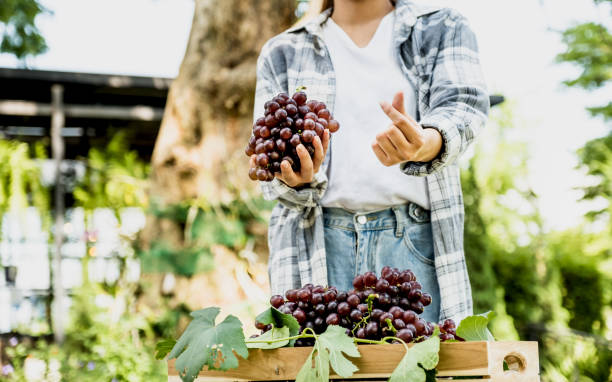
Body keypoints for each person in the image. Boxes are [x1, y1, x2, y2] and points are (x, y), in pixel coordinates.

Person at [252, 0, 489, 323]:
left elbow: (463, 108)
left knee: (418, 368)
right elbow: (269, 165)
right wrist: (297, 179)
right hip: (318, 244)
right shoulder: (282, 51)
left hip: (413, 246)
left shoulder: (442, 27)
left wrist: (425, 143)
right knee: (321, 369)